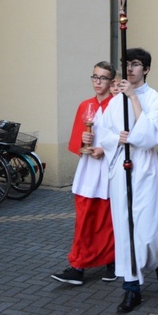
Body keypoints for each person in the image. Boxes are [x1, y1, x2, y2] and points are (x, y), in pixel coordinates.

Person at [98, 48, 158, 313]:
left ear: (147, 69)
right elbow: (102, 131)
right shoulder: (114, 102)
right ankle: (131, 288)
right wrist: (115, 138)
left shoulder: (157, 100)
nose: (130, 68)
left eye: (136, 64)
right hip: (121, 168)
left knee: (149, 229)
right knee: (125, 229)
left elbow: (152, 135)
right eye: (127, 64)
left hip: (144, 169)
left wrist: (133, 99)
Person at [52, 61, 117, 286]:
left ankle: (113, 261)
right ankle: (77, 265)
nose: (98, 82)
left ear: (111, 81)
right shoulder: (85, 106)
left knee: (108, 219)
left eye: (103, 78)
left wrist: (104, 149)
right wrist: (84, 140)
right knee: (84, 218)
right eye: (95, 77)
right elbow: (76, 141)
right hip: (89, 169)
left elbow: (125, 138)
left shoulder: (118, 105)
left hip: (109, 169)